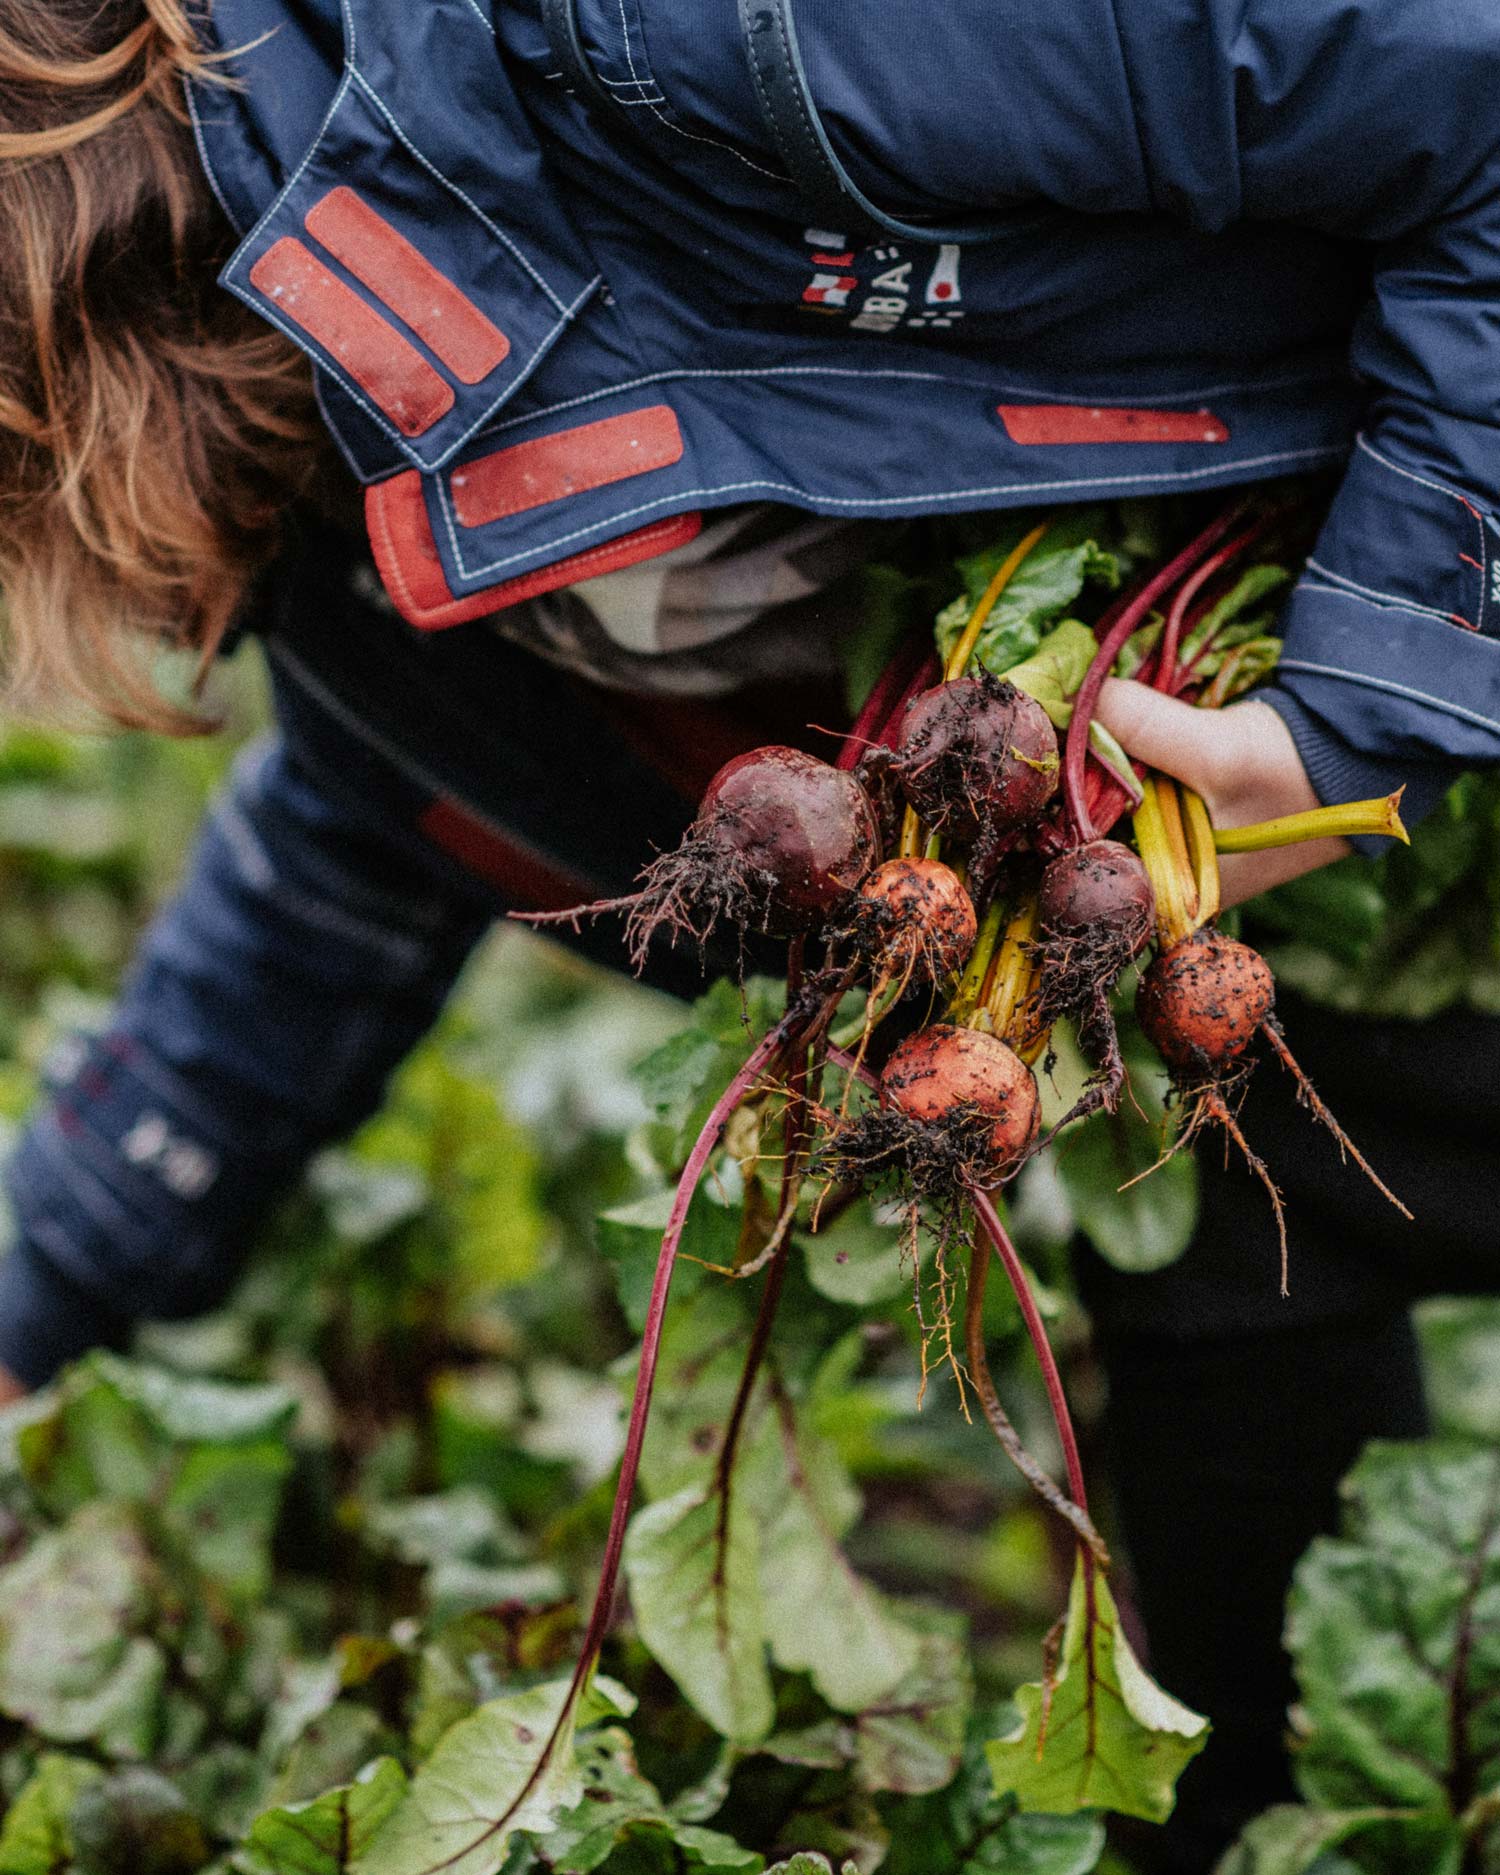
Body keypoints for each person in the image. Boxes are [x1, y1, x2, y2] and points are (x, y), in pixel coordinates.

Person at [2, 1, 1498, 1864]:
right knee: (1218, 1262)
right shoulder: (321, 477)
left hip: (1417, 646)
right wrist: (34, 1303)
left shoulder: (696, 39)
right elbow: (363, 829)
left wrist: (1370, 703)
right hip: (1221, 957)